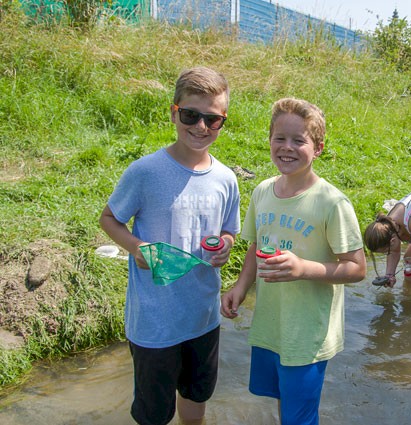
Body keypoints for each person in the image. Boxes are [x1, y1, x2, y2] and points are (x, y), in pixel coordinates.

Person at [99, 67, 240, 425]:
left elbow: (228, 231)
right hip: (154, 323)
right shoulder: (145, 172)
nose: (201, 127)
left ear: (223, 121)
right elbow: (109, 219)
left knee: (196, 402)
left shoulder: (226, 179)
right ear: (174, 112)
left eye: (213, 119)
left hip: (203, 318)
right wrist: (137, 247)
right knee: (154, 416)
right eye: (191, 115)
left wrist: (225, 244)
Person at [220, 98, 366, 425]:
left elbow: (357, 268)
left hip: (308, 334)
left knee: (300, 417)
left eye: (299, 140)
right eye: (280, 138)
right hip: (273, 325)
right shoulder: (262, 192)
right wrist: (241, 287)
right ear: (269, 140)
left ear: (318, 148)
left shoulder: (332, 203)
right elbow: (257, 244)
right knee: (285, 404)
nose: (287, 147)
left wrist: (303, 268)